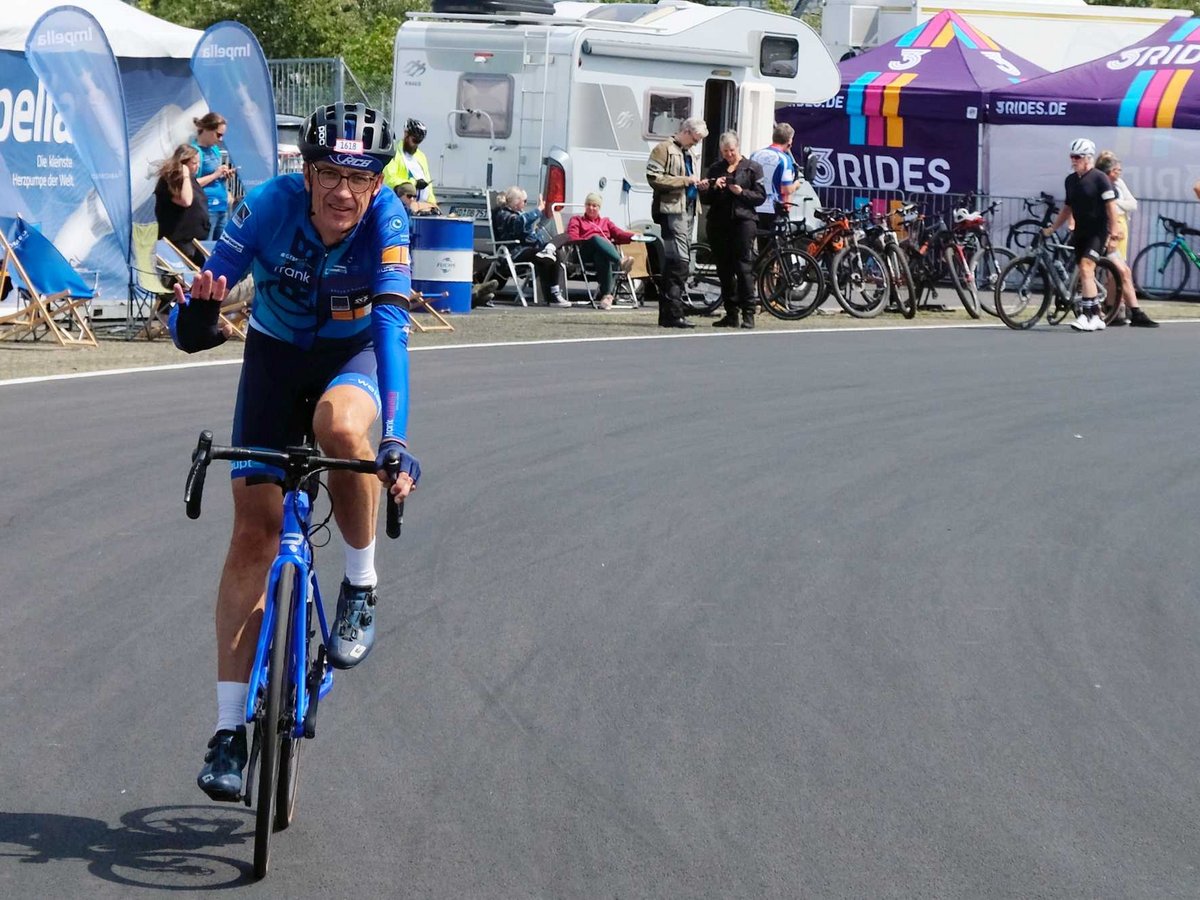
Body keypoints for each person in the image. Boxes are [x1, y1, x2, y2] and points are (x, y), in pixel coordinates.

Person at [170, 103, 422, 802]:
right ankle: (228, 733)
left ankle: (361, 585)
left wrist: (394, 439)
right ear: (306, 174)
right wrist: (194, 317)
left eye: (360, 178)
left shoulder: (388, 223)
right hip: (275, 358)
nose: (345, 192)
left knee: (342, 428)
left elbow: (394, 334)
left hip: (356, 357)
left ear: (377, 185)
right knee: (252, 534)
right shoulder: (267, 207)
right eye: (330, 175)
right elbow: (191, 324)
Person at [1043, 137, 1121, 332]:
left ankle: (1089, 315)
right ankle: (1096, 315)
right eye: (1072, 156)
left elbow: (1110, 206)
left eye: (1077, 157)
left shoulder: (1100, 178)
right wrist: (1053, 228)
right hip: (1080, 232)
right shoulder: (1070, 180)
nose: (1073, 160)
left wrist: (1115, 230)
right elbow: (1067, 208)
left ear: (1088, 158)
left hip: (1098, 231)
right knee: (1084, 272)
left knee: (1086, 268)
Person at [646, 116, 709, 329]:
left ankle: (669, 313)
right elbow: (653, 178)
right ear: (686, 131)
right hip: (671, 211)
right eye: (695, 138)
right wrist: (684, 181)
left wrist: (698, 185)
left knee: (678, 262)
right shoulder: (663, 149)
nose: (696, 143)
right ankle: (673, 313)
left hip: (688, 209)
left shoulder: (687, 152)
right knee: (679, 262)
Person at [699, 132, 766, 329]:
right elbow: (706, 200)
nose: (729, 154)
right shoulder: (716, 168)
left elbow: (760, 197)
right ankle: (730, 313)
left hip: (743, 221)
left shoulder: (753, 168)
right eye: (725, 151)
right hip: (719, 223)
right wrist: (711, 187)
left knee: (743, 267)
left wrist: (741, 192)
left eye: (732, 151)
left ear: (738, 148)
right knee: (724, 269)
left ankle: (749, 313)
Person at [1094, 153, 1158, 328]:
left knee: (1119, 271)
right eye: (1116, 170)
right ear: (1108, 171)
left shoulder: (1116, 184)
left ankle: (1117, 308)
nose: (1119, 174)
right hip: (1104, 231)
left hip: (1116, 228)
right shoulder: (1098, 183)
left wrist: (1115, 204)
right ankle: (1128, 309)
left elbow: (1131, 204)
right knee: (1119, 271)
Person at [491, 186, 569, 307]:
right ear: (516, 202)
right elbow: (519, 222)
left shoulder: (518, 214)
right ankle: (553, 296)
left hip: (528, 248)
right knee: (544, 256)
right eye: (524, 201)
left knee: (557, 249)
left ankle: (554, 293)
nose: (525, 204)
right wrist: (538, 210)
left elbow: (529, 233)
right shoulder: (503, 214)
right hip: (515, 252)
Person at [566, 193, 637, 309]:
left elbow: (619, 233)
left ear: (599, 208)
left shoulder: (606, 222)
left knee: (601, 255)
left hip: (602, 255)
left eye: (594, 205)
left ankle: (606, 297)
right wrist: (590, 240)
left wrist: (634, 237)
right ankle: (621, 261)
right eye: (588, 205)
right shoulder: (577, 220)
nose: (591, 208)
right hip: (585, 252)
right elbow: (572, 236)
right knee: (596, 238)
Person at [154, 144, 210, 267]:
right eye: (194, 163)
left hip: (195, 241)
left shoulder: (189, 180)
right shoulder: (169, 181)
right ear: (183, 163)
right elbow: (186, 200)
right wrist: (184, 174)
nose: (198, 166)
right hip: (180, 241)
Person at [190, 112, 235, 242]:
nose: (220, 139)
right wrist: (215, 175)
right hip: (207, 209)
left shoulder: (214, 149)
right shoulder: (194, 152)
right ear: (207, 130)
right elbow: (191, 184)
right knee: (205, 250)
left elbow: (215, 177)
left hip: (222, 207)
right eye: (218, 135)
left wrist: (224, 175)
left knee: (220, 250)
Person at [749, 123, 799, 237]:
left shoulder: (755, 155)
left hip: (754, 205)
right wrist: (796, 184)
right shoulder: (785, 159)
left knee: (760, 245)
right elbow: (786, 189)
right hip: (774, 208)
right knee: (775, 249)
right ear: (789, 142)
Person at [383, 118, 439, 212]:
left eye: (419, 141)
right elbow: (389, 179)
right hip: (400, 203)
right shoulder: (394, 152)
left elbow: (428, 184)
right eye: (414, 140)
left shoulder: (421, 156)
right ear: (406, 134)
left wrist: (432, 203)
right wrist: (414, 183)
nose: (415, 144)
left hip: (421, 205)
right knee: (407, 188)